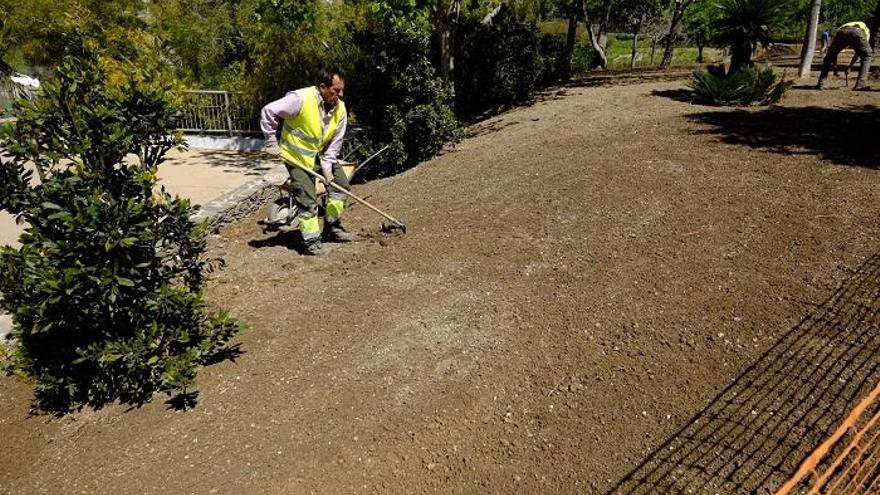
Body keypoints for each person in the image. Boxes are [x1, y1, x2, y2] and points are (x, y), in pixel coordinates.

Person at [260, 67, 353, 255]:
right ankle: (311, 242)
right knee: (307, 199)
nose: (340, 94)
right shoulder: (300, 99)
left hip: (320, 156)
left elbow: (336, 142)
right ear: (323, 87)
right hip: (296, 158)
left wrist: (327, 168)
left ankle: (332, 227)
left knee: (341, 187)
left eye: (342, 89)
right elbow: (268, 111)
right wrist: (271, 142)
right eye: (336, 90)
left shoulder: (340, 109)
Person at [817, 21, 873, 91]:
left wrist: (836, 64)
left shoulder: (848, 24)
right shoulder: (866, 30)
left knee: (829, 57)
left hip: (841, 32)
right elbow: (859, 53)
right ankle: (860, 85)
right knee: (867, 56)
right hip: (857, 32)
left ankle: (821, 84)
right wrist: (850, 66)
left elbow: (834, 52)